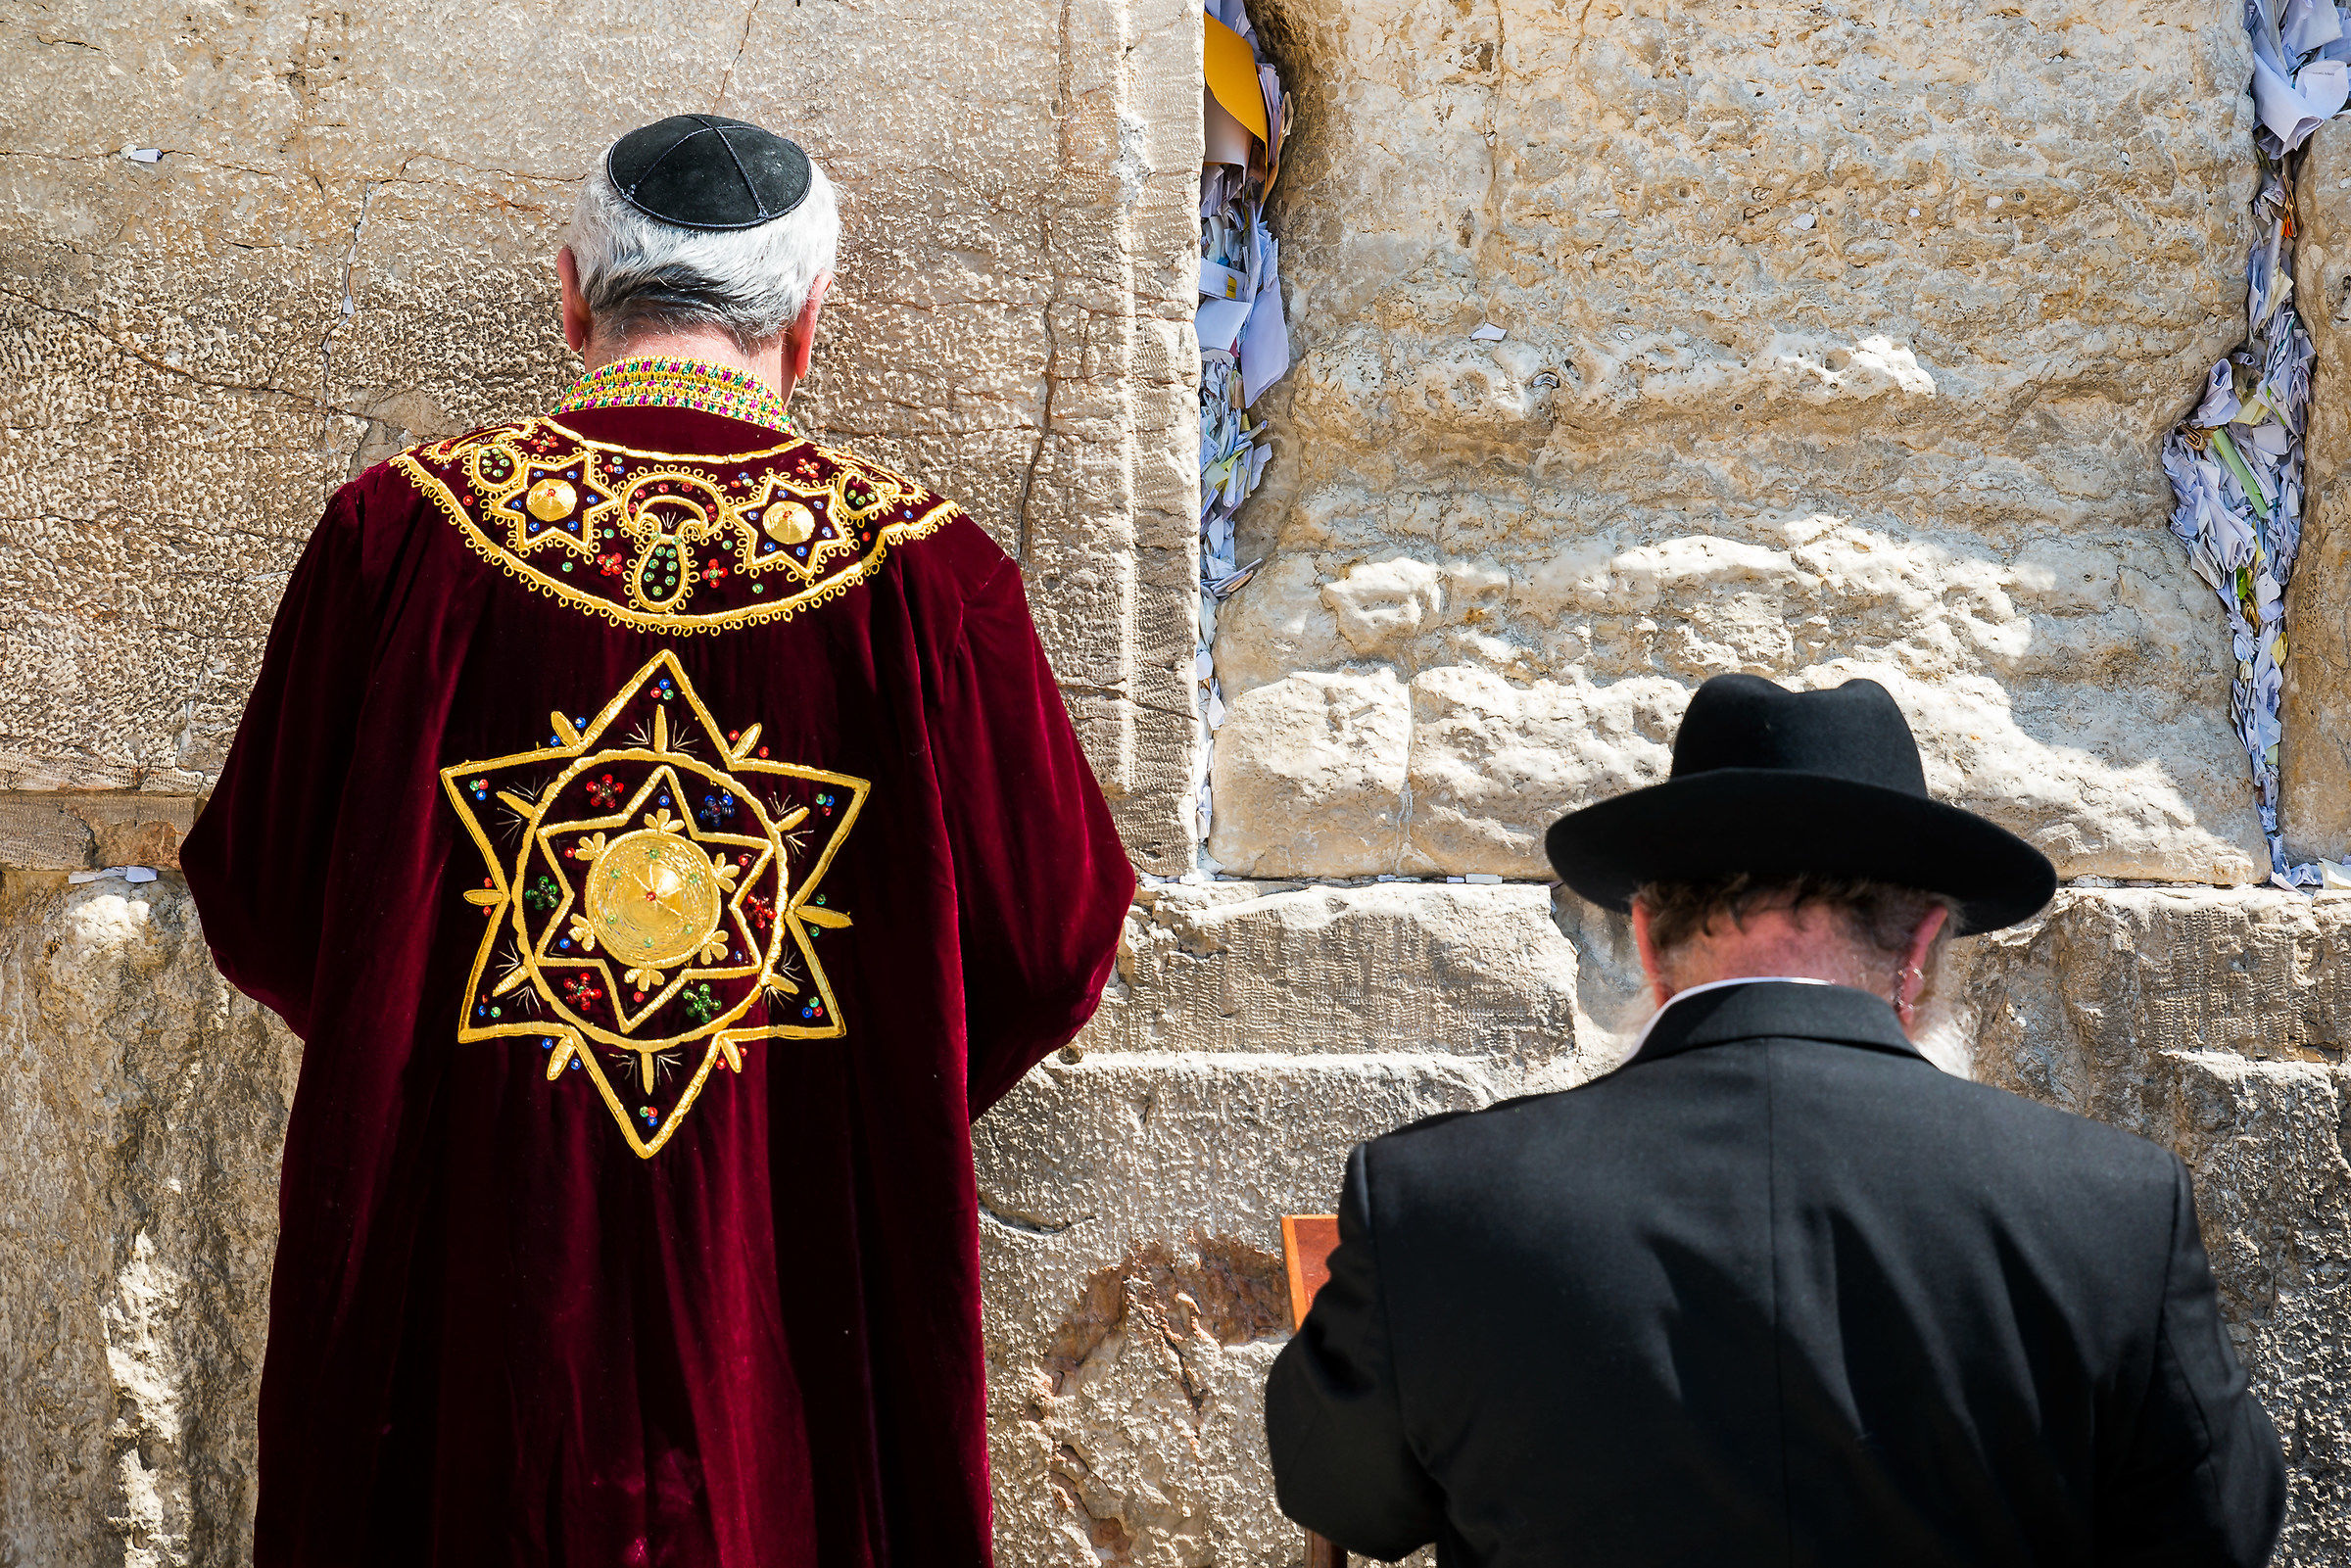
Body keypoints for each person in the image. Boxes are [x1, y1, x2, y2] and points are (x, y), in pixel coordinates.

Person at [181, 114, 1133, 1566]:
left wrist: (428, 1033)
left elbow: (256, 896)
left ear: (572, 295)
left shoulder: (396, 538)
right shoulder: (933, 578)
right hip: (790, 1313)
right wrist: (858, 1071)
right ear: (807, 324)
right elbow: (1056, 944)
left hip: (465, 1300)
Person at [1264, 673, 2287, 1566]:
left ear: (1646, 940)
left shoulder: (1433, 1205)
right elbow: (2220, 1532)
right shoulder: (2114, 1210)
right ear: (1922, 947)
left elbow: (1338, 1491)